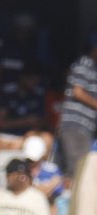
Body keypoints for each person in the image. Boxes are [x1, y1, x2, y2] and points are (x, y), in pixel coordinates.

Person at [56, 37, 97, 179]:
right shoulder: (85, 63)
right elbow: (77, 92)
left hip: (86, 128)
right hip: (75, 125)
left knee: (83, 169)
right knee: (77, 170)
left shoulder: (94, 68)